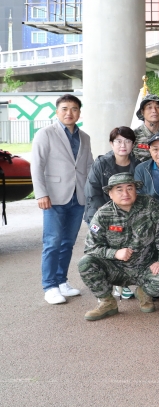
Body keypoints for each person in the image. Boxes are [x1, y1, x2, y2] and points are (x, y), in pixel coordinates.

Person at [77, 173, 159, 320]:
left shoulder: (149, 205)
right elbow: (91, 248)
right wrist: (114, 253)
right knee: (86, 263)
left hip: (145, 266)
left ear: (135, 190)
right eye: (119, 189)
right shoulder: (103, 215)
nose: (125, 193)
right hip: (115, 268)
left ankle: (144, 292)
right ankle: (107, 302)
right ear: (110, 194)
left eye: (130, 188)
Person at [31, 93, 94, 305]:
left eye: (74, 109)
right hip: (54, 196)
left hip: (78, 197)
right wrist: (41, 193)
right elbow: (37, 165)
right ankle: (49, 286)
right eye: (65, 109)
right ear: (57, 112)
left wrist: (92, 193)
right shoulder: (45, 134)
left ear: (79, 113)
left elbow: (88, 166)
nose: (69, 113)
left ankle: (61, 281)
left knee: (68, 243)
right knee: (52, 242)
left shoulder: (84, 137)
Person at [85, 126, 139, 224]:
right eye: (118, 141)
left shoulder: (138, 166)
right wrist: (107, 213)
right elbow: (92, 191)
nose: (123, 145)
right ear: (111, 144)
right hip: (100, 213)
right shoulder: (101, 164)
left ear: (133, 144)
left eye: (127, 141)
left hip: (130, 215)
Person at [132, 94, 159, 162]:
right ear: (142, 112)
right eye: (149, 107)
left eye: (158, 107)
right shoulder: (133, 136)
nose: (154, 110)